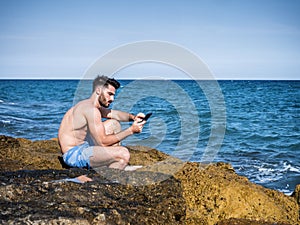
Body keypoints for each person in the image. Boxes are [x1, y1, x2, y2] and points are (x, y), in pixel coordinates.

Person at [58, 75, 146, 170]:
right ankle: (110, 170)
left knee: (114, 124)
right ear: (98, 90)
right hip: (73, 154)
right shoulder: (91, 110)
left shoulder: (88, 105)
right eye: (110, 94)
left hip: (83, 146)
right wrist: (131, 130)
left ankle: (113, 162)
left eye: (113, 95)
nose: (112, 99)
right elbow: (102, 143)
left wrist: (134, 117)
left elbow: (114, 114)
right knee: (123, 153)